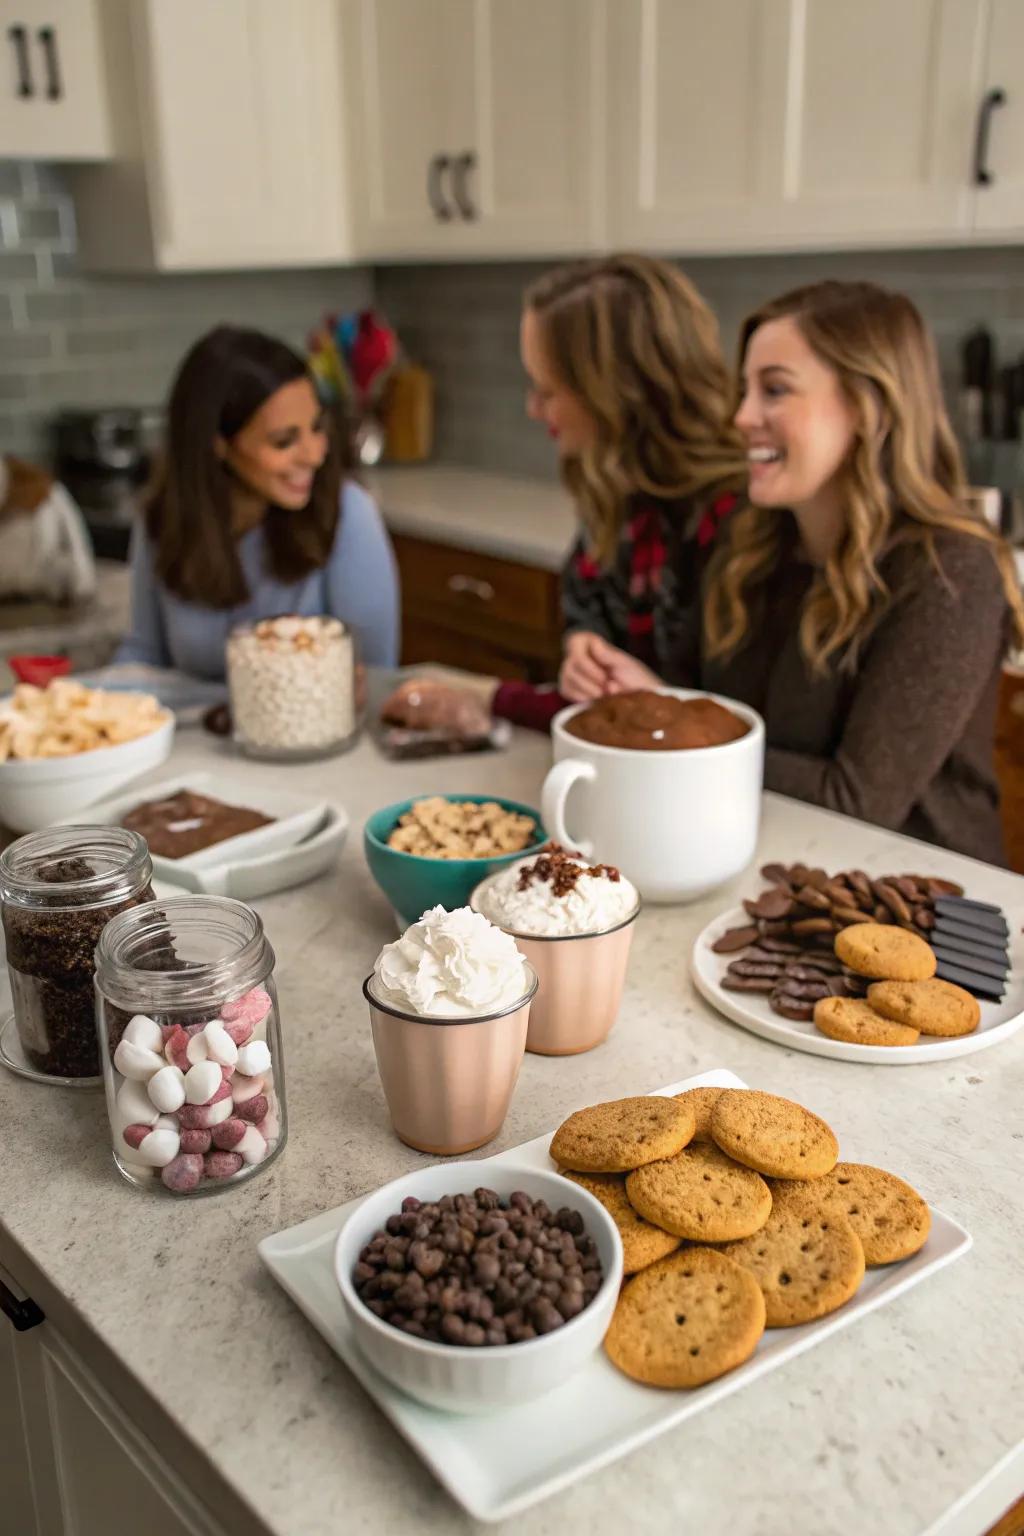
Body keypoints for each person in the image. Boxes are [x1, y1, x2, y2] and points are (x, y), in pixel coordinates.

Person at [579, 281, 1024, 862]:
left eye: (775, 391)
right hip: (758, 858)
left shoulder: (950, 573)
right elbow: (696, 704)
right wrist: (641, 698)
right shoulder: (751, 537)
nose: (740, 418)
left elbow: (858, 799)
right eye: (745, 390)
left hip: (919, 899)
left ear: (868, 409)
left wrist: (680, 734)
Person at [383, 254, 743, 732]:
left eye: (548, 390)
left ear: (614, 393)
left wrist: (490, 698)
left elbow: (744, 730)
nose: (534, 408)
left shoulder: (738, 521)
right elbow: (590, 621)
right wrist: (583, 651)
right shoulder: (613, 490)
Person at [117, 327, 399, 679]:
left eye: (317, 427)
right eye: (284, 441)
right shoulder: (162, 521)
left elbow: (375, 676)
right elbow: (144, 657)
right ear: (218, 444)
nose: (313, 456)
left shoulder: (348, 515)